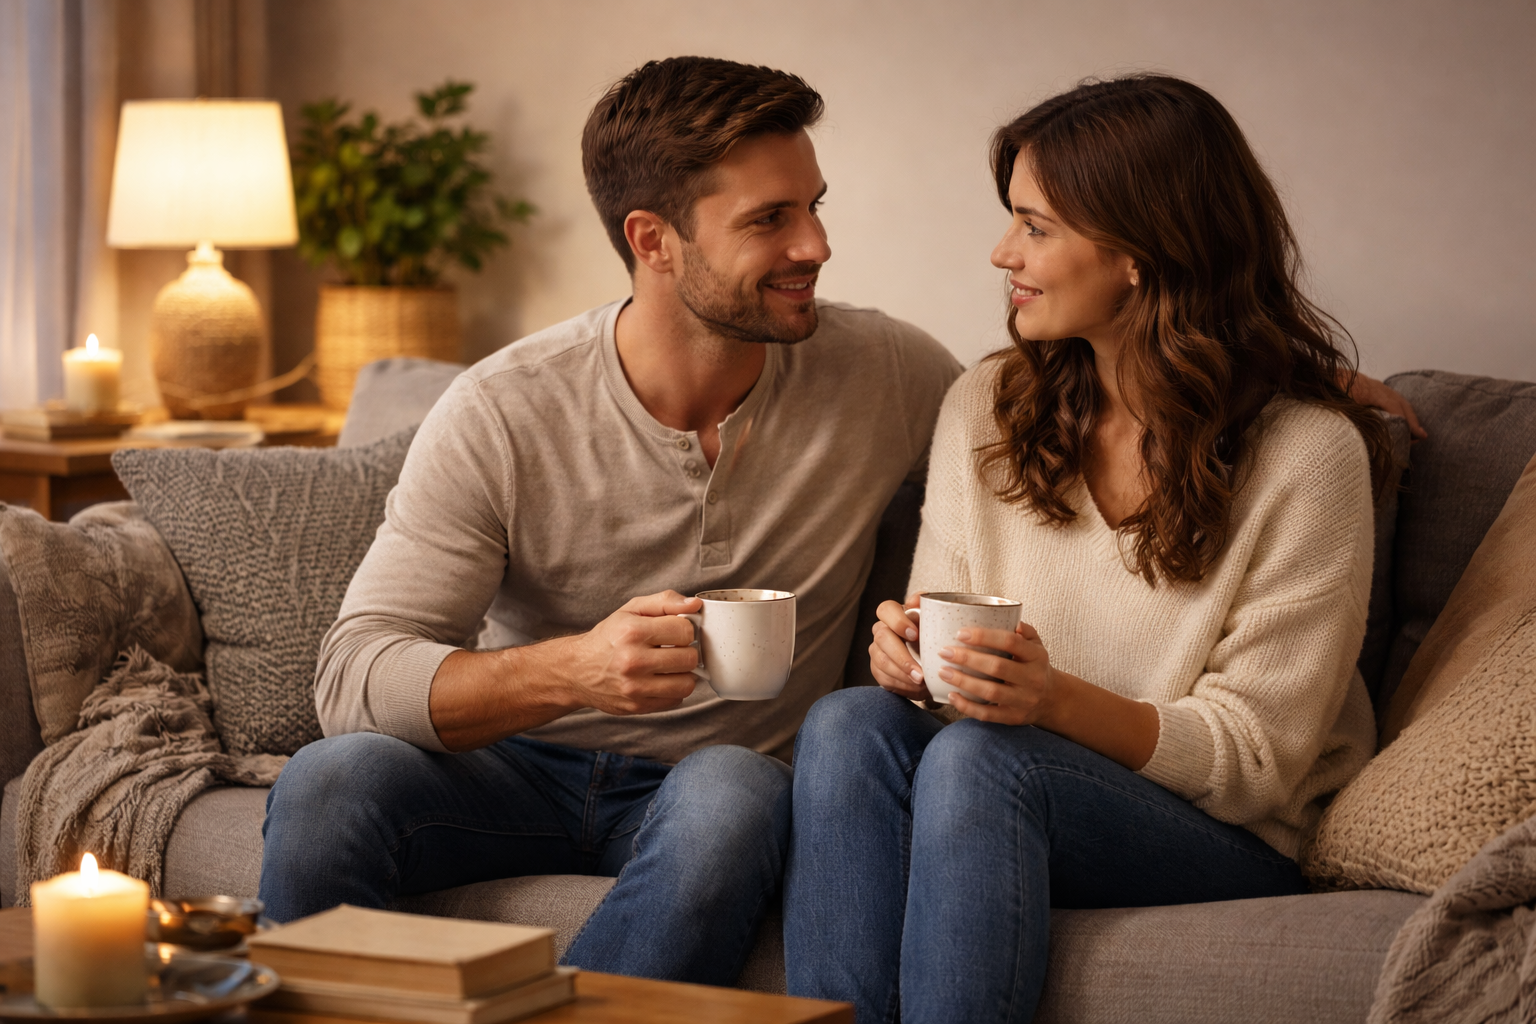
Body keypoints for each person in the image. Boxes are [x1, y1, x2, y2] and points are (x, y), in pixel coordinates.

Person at [257, 56, 964, 985]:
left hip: (717, 782)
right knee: (329, 781)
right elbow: (354, 675)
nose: (816, 246)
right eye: (770, 220)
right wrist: (576, 669)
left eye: (814, 206)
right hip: (511, 774)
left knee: (735, 793)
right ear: (653, 239)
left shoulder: (894, 376)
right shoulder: (504, 410)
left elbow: (1022, 474)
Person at [784, 74, 1403, 1022]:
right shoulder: (989, 406)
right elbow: (943, 650)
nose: (1002, 253)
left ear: (1139, 253)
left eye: (1035, 227)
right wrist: (907, 658)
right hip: (1004, 781)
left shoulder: (1307, 457)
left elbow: (1255, 759)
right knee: (848, 725)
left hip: (1219, 832)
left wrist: (1049, 700)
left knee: (984, 761)